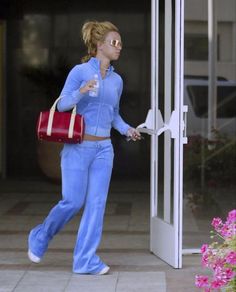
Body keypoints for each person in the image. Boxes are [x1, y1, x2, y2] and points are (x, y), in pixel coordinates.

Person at [28, 20, 141, 275]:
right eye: (115, 42)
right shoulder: (79, 72)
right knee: (72, 201)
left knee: (97, 204)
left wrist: (127, 130)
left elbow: (115, 115)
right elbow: (64, 104)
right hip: (78, 148)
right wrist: (81, 91)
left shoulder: (117, 81)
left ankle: (85, 261)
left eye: (121, 42)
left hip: (104, 150)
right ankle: (41, 235)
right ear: (99, 45)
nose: (119, 46)